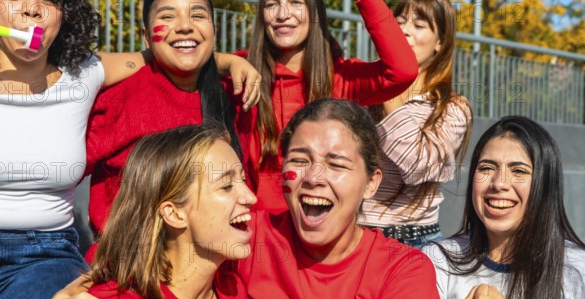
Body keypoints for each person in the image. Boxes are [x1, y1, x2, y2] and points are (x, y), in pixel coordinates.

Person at [49, 99, 444, 299]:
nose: (314, 178)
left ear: (372, 183)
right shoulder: (245, 237)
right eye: (300, 161)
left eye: (337, 164)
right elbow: (132, 257)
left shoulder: (403, 267)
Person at [0, 0, 259, 299]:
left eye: (47, 1)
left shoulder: (85, 74)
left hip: (39, 259)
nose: (31, 10)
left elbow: (166, 47)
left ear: (66, 16)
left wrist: (228, 62)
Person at [59, 125, 280, 299]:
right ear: (174, 214)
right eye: (226, 186)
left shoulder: (232, 285)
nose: (250, 197)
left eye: (243, 180)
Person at [410, 116, 585, 299]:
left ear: (545, 183)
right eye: (487, 168)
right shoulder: (436, 261)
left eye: (518, 170)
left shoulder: (579, 269)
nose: (499, 183)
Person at [86, 0, 258, 249]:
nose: (185, 26)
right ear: (146, 37)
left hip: (214, 272)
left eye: (197, 15)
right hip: (130, 270)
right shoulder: (118, 97)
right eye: (168, 17)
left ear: (213, 30)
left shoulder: (237, 97)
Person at [240, 0, 420, 214]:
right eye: (271, 5)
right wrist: (226, 62)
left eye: (296, 2)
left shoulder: (342, 78)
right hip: (257, 233)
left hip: (322, 226)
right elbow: (193, 65)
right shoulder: (241, 73)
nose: (282, 14)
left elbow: (403, 71)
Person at [362, 0, 473, 248]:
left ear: (440, 43)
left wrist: (390, 87)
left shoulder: (452, 108)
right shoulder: (361, 92)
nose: (403, 31)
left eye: (419, 24)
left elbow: (418, 165)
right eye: (398, 22)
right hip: (355, 238)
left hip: (415, 242)